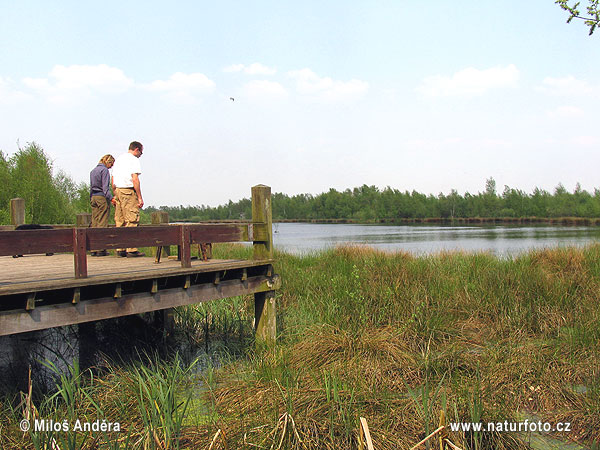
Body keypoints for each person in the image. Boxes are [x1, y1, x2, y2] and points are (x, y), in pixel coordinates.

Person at [111, 141, 145, 257]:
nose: (141, 154)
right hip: (128, 190)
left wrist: (115, 193)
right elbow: (135, 179)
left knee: (120, 220)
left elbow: (113, 179)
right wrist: (139, 197)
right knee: (132, 219)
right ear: (136, 149)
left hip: (118, 190)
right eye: (141, 151)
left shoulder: (119, 159)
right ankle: (131, 249)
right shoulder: (133, 160)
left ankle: (120, 248)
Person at [89, 154, 115, 256]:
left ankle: (93, 248)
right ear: (108, 162)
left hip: (93, 197)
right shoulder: (104, 171)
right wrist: (111, 198)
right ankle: (101, 248)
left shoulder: (93, 171)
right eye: (111, 164)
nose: (111, 167)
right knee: (102, 222)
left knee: (94, 221)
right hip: (101, 197)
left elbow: (91, 186)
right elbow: (105, 188)